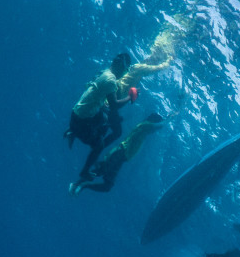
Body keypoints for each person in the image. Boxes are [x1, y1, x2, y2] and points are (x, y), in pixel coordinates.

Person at [65, 52, 137, 183]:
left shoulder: (106, 73)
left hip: (77, 113)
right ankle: (84, 171)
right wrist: (130, 97)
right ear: (121, 66)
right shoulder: (111, 81)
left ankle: (72, 131)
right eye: (125, 71)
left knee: (104, 118)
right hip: (81, 121)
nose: (124, 74)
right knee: (99, 145)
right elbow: (114, 105)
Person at [70, 112, 167, 195]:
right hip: (120, 152)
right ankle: (77, 184)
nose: (155, 131)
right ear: (153, 121)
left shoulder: (145, 129)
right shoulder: (145, 125)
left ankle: (83, 185)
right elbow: (160, 125)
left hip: (122, 157)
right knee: (100, 171)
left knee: (107, 186)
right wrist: (171, 117)